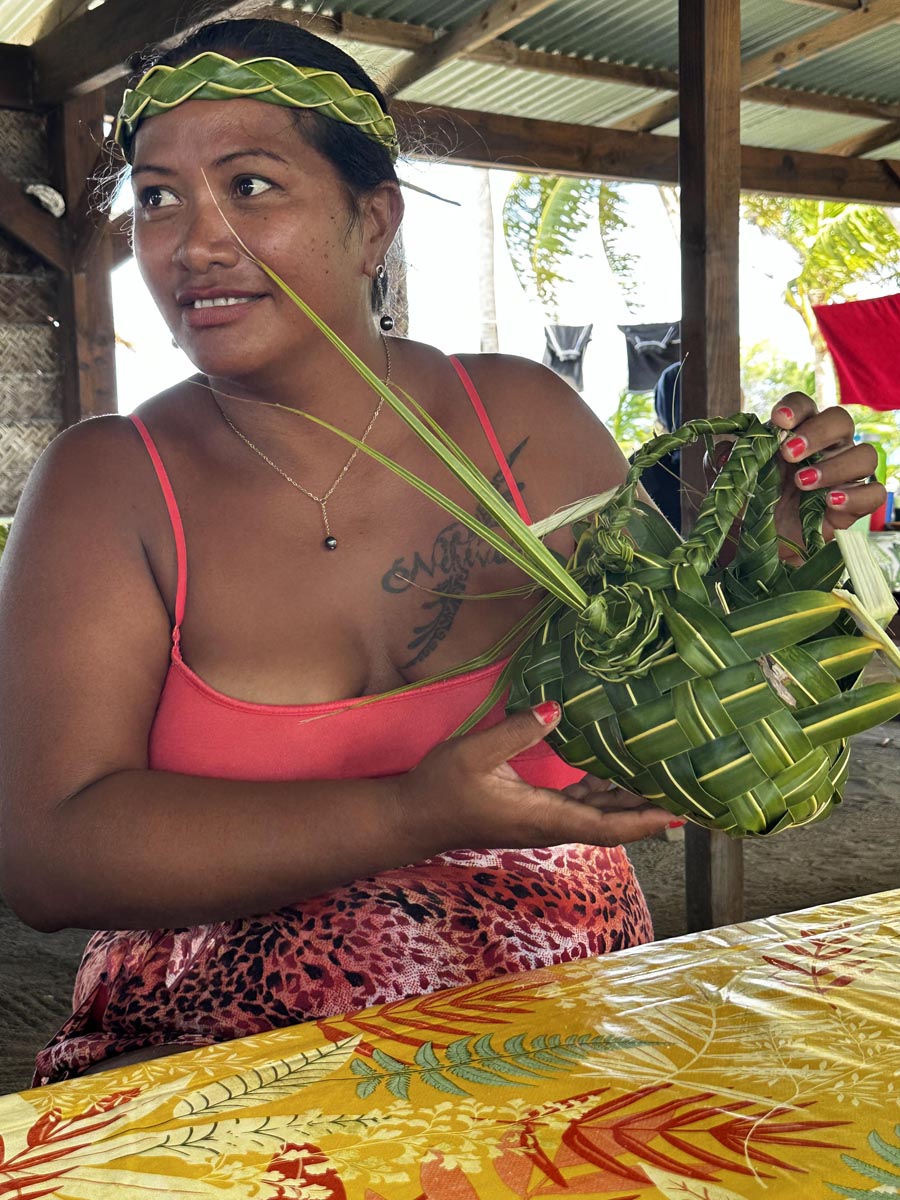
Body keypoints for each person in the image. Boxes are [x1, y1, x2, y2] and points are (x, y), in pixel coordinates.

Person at [0, 17, 883, 1086]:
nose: (194, 242)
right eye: (156, 197)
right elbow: (46, 854)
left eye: (251, 185)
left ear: (373, 222)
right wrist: (410, 813)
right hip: (222, 1074)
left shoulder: (521, 420)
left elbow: (663, 694)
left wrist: (763, 570)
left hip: (574, 1038)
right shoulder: (109, 483)